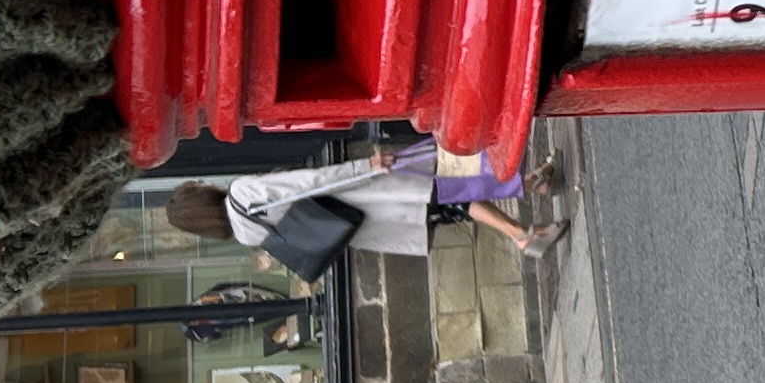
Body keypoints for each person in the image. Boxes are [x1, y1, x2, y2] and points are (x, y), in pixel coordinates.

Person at [163, 145, 530, 271]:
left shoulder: (245, 236)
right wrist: (364, 166)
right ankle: (519, 232)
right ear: (201, 194)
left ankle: (531, 189)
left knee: (451, 205)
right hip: (364, 197)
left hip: (362, 227)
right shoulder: (242, 193)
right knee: (449, 190)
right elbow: (310, 182)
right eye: (197, 186)